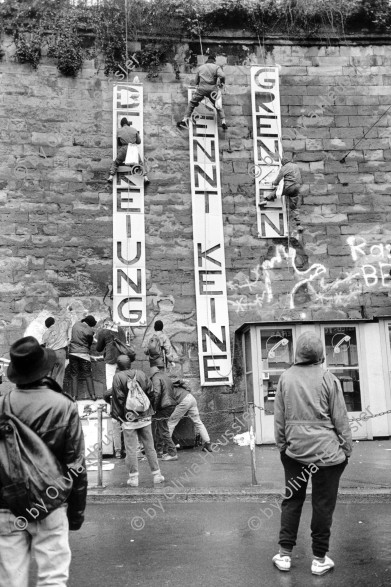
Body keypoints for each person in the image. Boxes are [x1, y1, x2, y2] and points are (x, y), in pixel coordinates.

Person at [0, 336, 87, 587]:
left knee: (10, 582)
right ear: (44, 369)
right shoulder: (64, 406)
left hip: (7, 505)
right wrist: (76, 513)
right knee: (53, 579)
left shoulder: (3, 405)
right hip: (50, 503)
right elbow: (75, 466)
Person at [273, 331, 353, 576]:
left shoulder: (285, 378)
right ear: (320, 354)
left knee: (292, 500)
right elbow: (341, 420)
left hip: (295, 452)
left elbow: (279, 418)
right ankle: (319, 559)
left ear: (297, 353)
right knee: (322, 505)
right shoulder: (329, 379)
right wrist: (346, 449)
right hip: (327, 456)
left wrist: (283, 447)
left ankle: (285, 555)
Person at [111, 355, 164, 487]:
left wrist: (120, 417)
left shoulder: (118, 377)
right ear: (130, 364)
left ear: (118, 365)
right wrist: (149, 409)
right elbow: (152, 392)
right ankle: (157, 475)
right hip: (145, 417)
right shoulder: (141, 373)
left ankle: (134, 478)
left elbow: (119, 399)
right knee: (149, 447)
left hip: (129, 419)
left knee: (131, 449)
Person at [96, 319, 128, 459]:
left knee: (110, 379)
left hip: (109, 357)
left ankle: (111, 394)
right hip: (121, 358)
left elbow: (98, 348)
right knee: (121, 376)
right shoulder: (120, 330)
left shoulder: (103, 331)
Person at [177, 54, 227, 130]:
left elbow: (196, 81)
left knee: (192, 103)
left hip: (201, 89)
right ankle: (223, 122)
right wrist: (222, 83)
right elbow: (222, 76)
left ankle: (184, 120)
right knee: (217, 105)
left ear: (207, 60)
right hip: (212, 90)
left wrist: (198, 85)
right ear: (214, 61)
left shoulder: (201, 68)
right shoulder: (216, 67)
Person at [167, 377, 213, 453]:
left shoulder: (168, 389)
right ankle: (207, 443)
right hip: (191, 398)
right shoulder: (178, 387)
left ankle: (168, 448)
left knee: (170, 423)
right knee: (198, 422)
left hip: (184, 401)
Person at [259, 157, 303, 231]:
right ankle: (298, 224)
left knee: (277, 192)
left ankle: (265, 200)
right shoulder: (295, 166)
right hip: (297, 187)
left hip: (289, 186)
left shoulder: (284, 168)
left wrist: (274, 183)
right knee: (294, 207)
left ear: (283, 163)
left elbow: (277, 181)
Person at [107, 117, 149, 184]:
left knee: (116, 162)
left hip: (124, 148)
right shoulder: (134, 130)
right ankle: (145, 178)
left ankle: (111, 176)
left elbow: (119, 143)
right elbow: (139, 142)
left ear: (121, 124)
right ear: (127, 123)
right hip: (132, 148)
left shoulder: (119, 130)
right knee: (140, 163)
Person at [150, 366, 178, 461]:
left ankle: (172, 453)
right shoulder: (165, 376)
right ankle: (160, 451)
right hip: (170, 405)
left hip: (164, 406)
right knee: (160, 428)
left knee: (163, 429)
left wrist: (153, 408)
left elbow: (157, 393)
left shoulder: (155, 378)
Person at [69, 315, 98, 401]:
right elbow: (89, 344)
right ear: (91, 324)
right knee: (88, 374)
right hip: (84, 355)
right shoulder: (89, 331)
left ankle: (74, 396)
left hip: (72, 353)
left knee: (74, 375)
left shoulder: (75, 325)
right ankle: (92, 395)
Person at [41, 315, 71, 387]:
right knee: (59, 374)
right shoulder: (61, 328)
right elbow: (69, 321)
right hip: (60, 352)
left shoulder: (46, 333)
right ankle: (58, 393)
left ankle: (48, 392)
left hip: (50, 354)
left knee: (49, 374)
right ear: (54, 322)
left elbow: (43, 343)